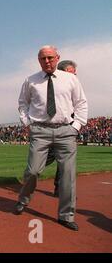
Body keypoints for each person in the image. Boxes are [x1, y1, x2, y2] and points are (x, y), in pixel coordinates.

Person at [15, 45, 88, 231]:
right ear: (38, 60)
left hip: (65, 131)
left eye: (50, 57)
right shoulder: (31, 80)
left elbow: (81, 103)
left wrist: (76, 126)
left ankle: (66, 215)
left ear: (57, 58)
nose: (47, 61)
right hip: (40, 131)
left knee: (68, 174)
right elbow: (23, 104)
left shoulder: (70, 79)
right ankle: (23, 199)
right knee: (33, 171)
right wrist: (28, 124)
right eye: (43, 58)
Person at [46, 60, 78, 197]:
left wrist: (76, 126)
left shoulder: (75, 86)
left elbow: (80, 104)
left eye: (75, 73)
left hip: (68, 128)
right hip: (51, 128)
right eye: (71, 73)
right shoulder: (52, 86)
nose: (74, 76)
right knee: (44, 160)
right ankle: (32, 171)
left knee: (65, 161)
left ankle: (61, 189)